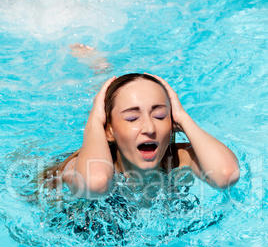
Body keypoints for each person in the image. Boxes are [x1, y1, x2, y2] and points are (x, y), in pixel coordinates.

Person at [43, 73, 240, 198]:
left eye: (160, 115)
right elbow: (96, 184)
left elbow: (226, 175)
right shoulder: (74, 167)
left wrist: (183, 118)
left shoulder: (180, 160)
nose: (149, 127)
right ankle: (99, 68)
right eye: (132, 118)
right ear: (109, 130)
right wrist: (94, 121)